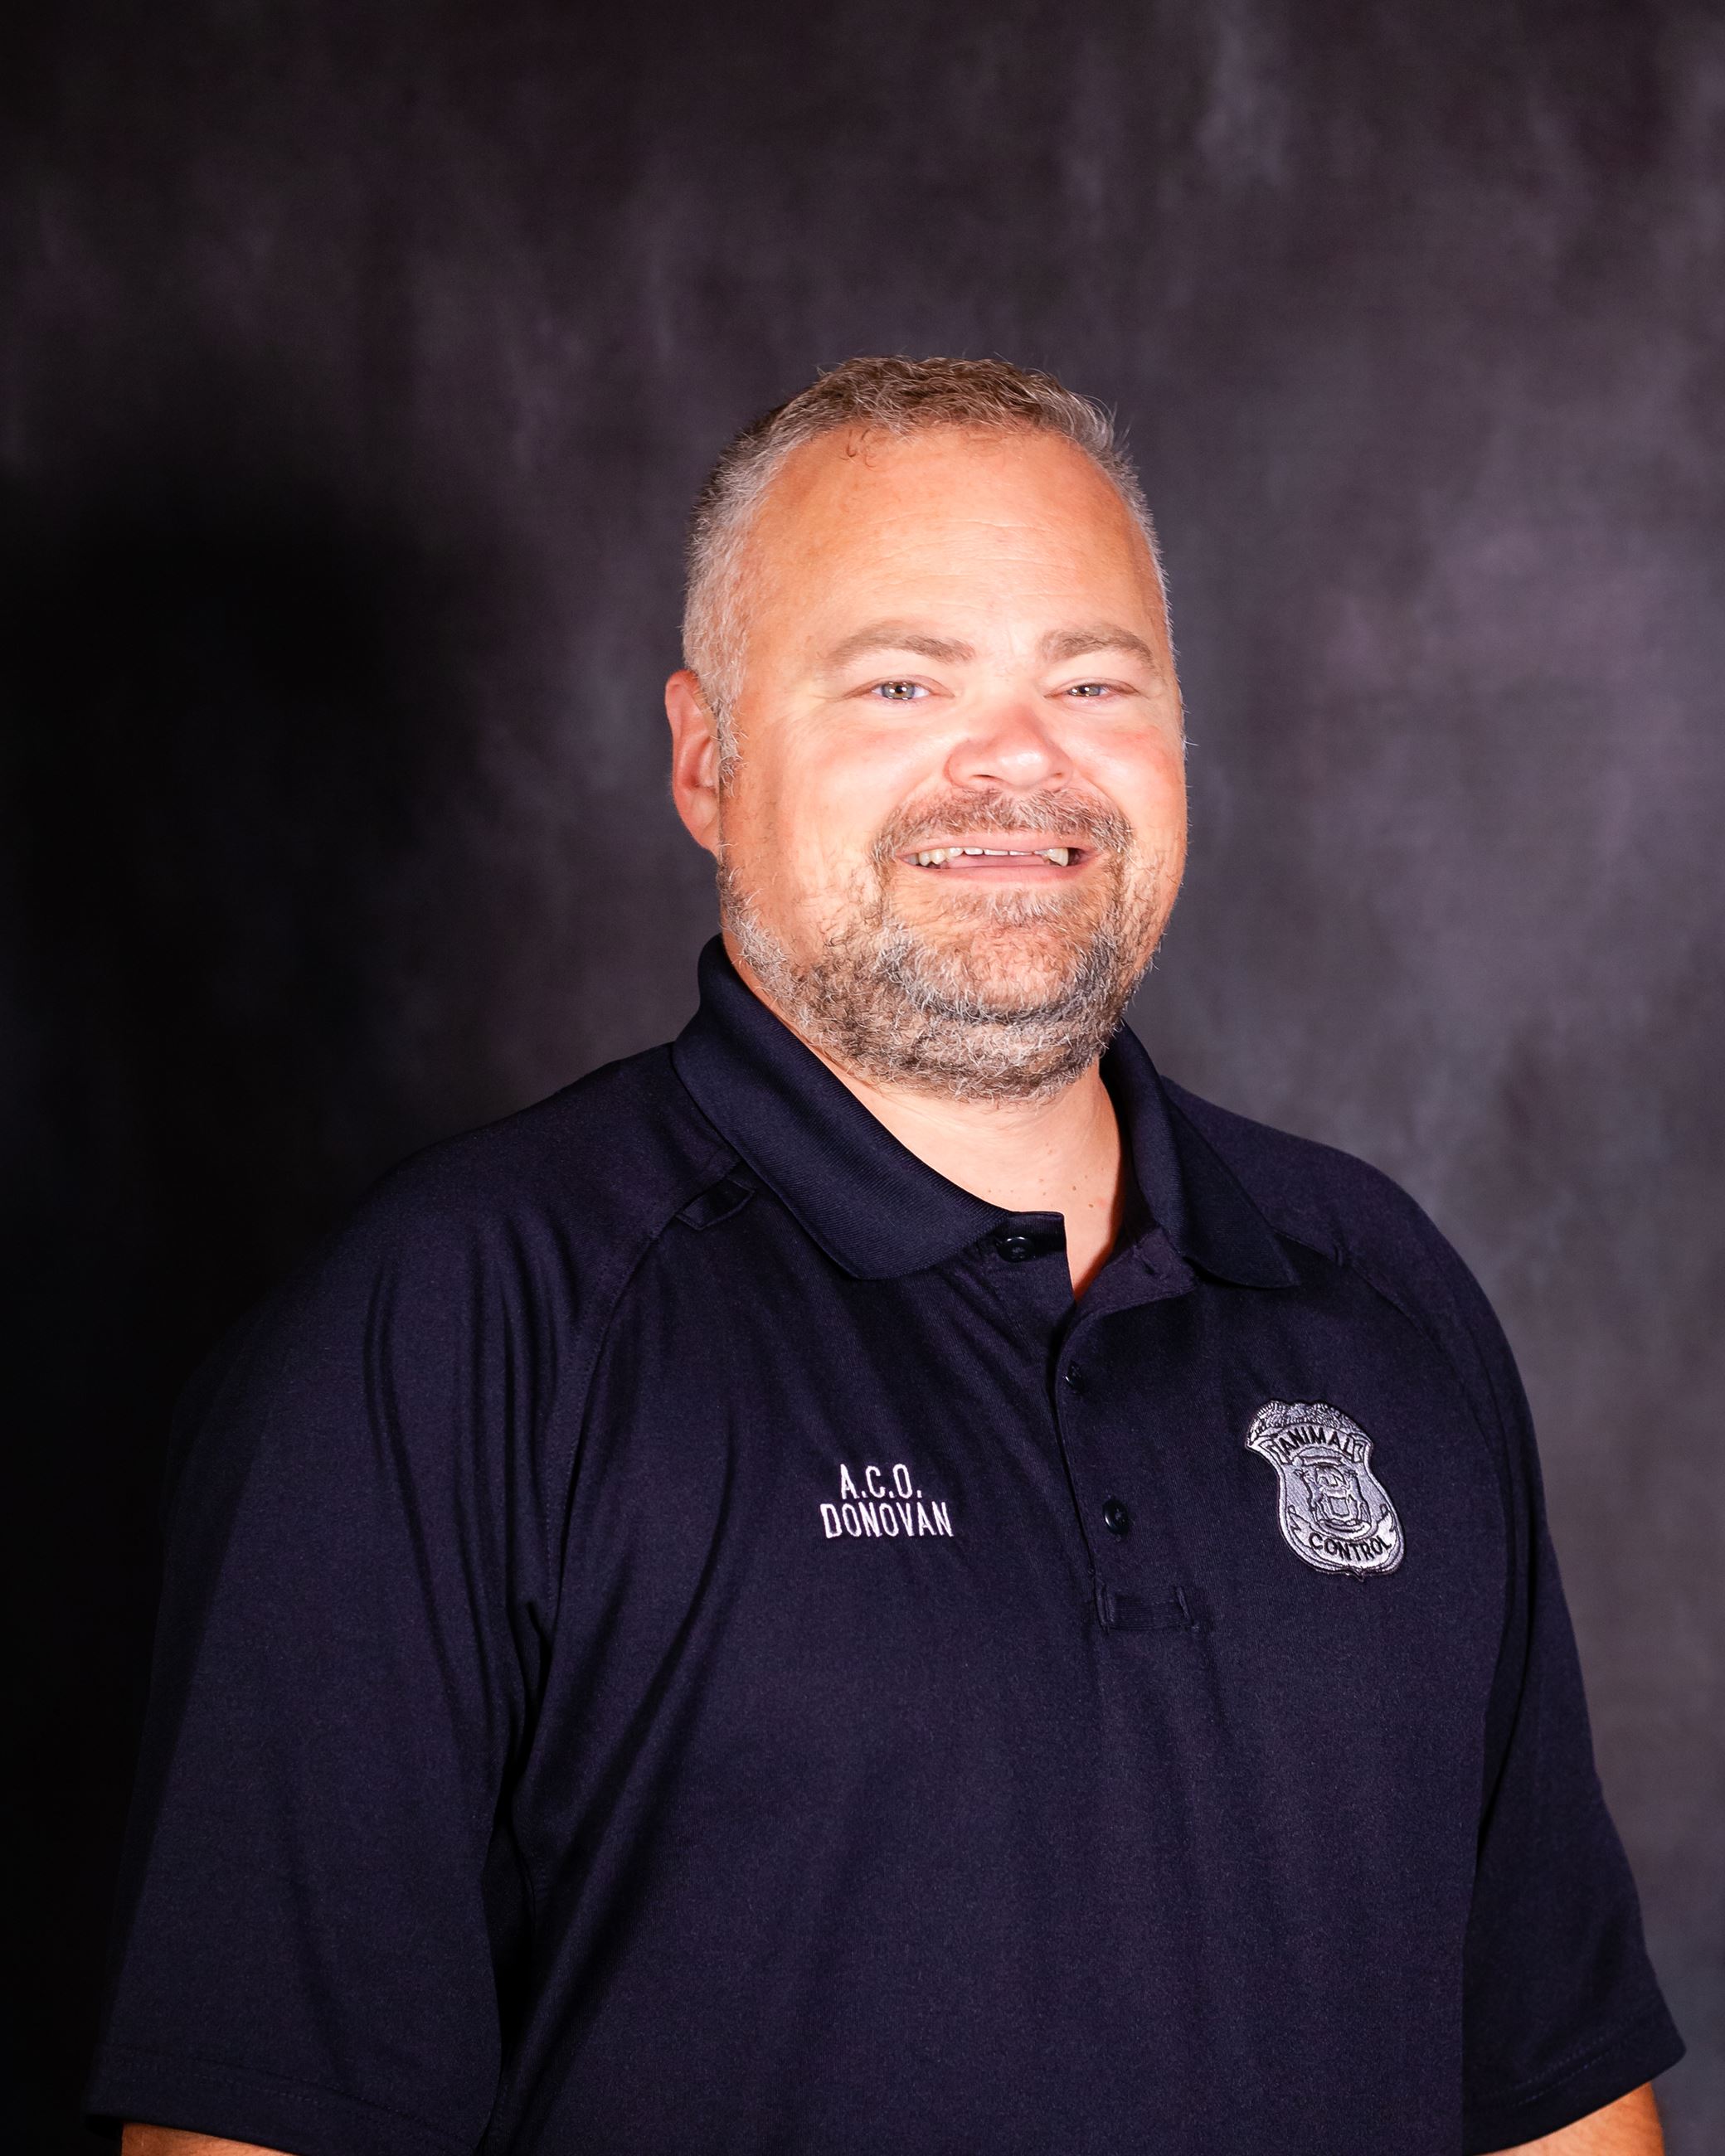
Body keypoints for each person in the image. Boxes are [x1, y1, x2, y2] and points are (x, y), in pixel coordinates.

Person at [91, 357, 1682, 2156]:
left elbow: (1550, 2094)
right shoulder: (458, 1331)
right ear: (707, 758)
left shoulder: (1380, 1298)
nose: (1018, 759)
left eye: (1091, 680)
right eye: (902, 681)